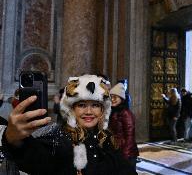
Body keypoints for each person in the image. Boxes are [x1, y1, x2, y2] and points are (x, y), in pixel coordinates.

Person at [1, 74, 137, 175]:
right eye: (82, 105)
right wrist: (14, 139)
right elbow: (37, 158)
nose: (89, 112)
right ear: (72, 109)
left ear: (102, 110)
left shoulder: (106, 137)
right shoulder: (58, 136)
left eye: (95, 105)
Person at [109, 82, 139, 170]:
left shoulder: (126, 113)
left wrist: (124, 155)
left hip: (126, 153)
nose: (112, 99)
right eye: (111, 97)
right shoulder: (114, 111)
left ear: (122, 98)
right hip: (117, 151)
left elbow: (130, 137)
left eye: (115, 97)